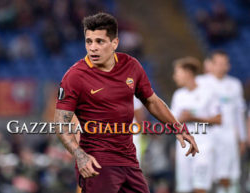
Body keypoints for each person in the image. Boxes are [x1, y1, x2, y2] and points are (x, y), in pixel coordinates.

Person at [55, 12, 199, 193]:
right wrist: (79, 155)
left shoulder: (131, 66)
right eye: (88, 41)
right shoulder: (74, 76)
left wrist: (177, 127)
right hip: (98, 163)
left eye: (99, 41)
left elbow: (151, 101)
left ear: (114, 43)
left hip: (129, 161)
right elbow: (61, 123)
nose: (92, 48)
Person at [196, 50, 247, 193]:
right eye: (218, 63)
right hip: (206, 138)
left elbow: (239, 113)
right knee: (205, 177)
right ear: (210, 65)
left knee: (229, 177)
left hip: (228, 137)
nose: (221, 67)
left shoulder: (235, 85)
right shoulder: (200, 83)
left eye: (224, 63)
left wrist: (242, 138)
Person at [171, 57, 221, 193]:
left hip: (203, 146)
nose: (174, 77)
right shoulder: (178, 95)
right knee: (184, 188)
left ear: (188, 73)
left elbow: (218, 119)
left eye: (177, 73)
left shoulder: (208, 93)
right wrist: (180, 119)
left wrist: (194, 117)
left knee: (200, 186)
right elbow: (172, 123)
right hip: (183, 147)